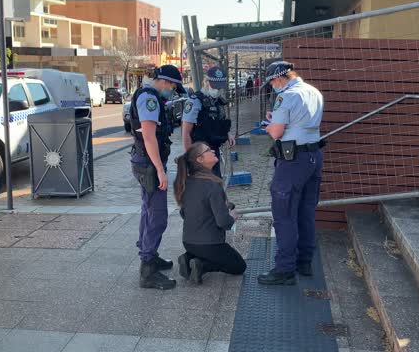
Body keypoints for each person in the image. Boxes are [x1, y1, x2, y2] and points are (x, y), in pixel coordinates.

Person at [258, 61, 324, 286]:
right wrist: (276, 118)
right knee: (306, 210)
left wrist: (269, 126)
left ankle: (285, 269)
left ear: (278, 79)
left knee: (284, 214)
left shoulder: (286, 96)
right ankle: (304, 261)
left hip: (292, 160)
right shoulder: (314, 92)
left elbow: (276, 132)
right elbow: (299, 121)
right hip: (314, 157)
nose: (272, 86)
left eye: (272, 82)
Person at [129, 64, 186, 290]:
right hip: (149, 164)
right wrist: (160, 171)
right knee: (158, 215)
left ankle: (149, 255)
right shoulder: (149, 98)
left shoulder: (147, 95)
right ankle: (147, 269)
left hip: (145, 161)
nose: (172, 90)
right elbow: (150, 136)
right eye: (173, 86)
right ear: (165, 82)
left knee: (148, 209)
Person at [174, 142, 246, 284]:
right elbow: (223, 222)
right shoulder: (213, 186)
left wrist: (224, 207)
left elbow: (185, 213)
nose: (213, 150)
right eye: (208, 150)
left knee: (209, 253)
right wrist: (232, 217)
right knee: (239, 266)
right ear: (200, 160)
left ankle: (188, 258)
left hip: (188, 242)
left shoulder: (186, 182)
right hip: (210, 244)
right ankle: (201, 266)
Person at [181, 66, 236, 178]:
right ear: (206, 82)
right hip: (199, 154)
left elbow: (218, 123)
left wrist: (228, 134)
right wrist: (189, 160)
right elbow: (186, 133)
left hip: (213, 152)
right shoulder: (195, 101)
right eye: (214, 86)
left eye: (220, 87)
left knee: (215, 184)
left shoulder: (217, 101)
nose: (217, 90)